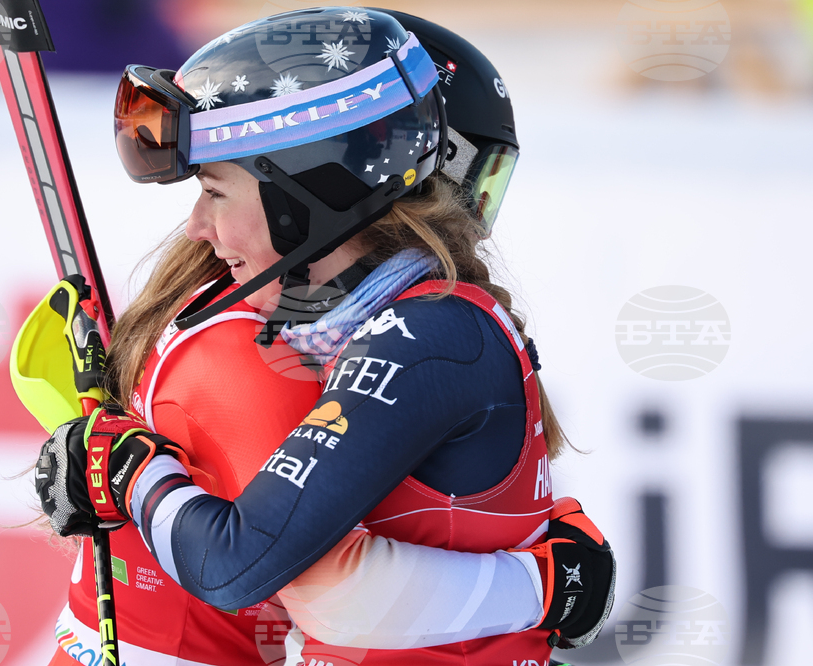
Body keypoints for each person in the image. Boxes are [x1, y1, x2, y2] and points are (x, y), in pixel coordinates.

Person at [38, 8, 615, 666]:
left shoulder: (422, 330)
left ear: (306, 191)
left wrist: (129, 472)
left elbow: (250, 566)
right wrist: (550, 583)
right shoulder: (299, 329)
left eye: (215, 193)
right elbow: (296, 575)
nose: (196, 224)